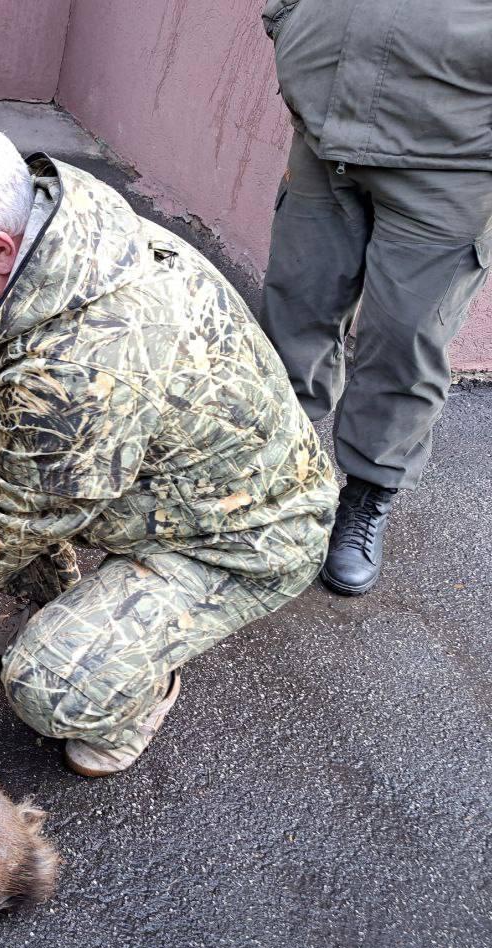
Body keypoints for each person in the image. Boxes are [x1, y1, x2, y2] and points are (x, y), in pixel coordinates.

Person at [0, 112, 338, 777]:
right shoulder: (55, 240)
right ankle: (56, 595)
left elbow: (30, 508)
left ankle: (135, 693)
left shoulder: (83, 366)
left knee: (52, 687)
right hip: (142, 468)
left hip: (242, 535)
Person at [260, 0, 492, 596]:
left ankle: (366, 493)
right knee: (294, 310)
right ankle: (271, 470)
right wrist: (293, 20)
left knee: (404, 340)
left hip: (456, 151)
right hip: (325, 125)